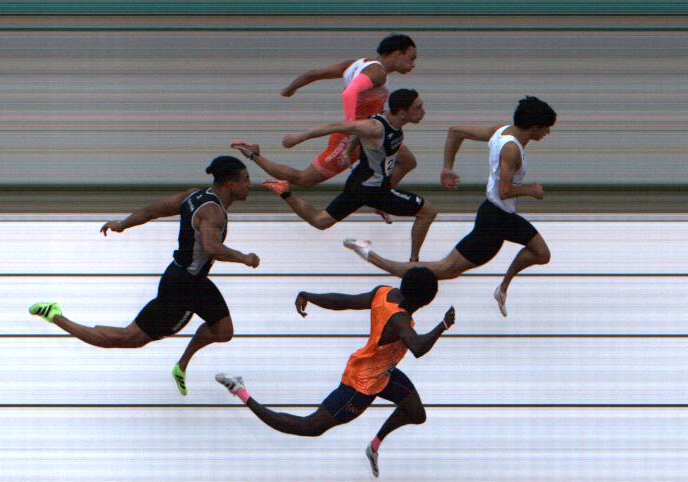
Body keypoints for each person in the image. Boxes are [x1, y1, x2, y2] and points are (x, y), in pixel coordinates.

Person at [29, 156, 259, 396]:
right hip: (181, 287)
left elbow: (152, 210)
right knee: (129, 338)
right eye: (246, 179)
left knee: (223, 330)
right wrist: (243, 257)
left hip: (194, 280)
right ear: (231, 184)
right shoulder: (212, 213)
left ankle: (180, 366)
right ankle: (55, 315)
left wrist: (123, 224)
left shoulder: (193, 196)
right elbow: (211, 247)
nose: (250, 185)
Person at [215, 267, 453, 477]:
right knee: (310, 427)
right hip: (361, 385)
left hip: (384, 373)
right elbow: (418, 347)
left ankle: (373, 447)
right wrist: (443, 325)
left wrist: (310, 296)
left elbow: (344, 301)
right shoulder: (400, 321)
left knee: (416, 413)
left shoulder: (384, 293)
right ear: (424, 302)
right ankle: (241, 391)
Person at [344, 96, 557, 316]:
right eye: (546, 128)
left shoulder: (502, 131)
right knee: (444, 269)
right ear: (534, 127)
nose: (547, 133)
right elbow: (504, 191)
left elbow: (456, 132)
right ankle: (369, 254)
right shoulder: (511, 149)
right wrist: (530, 190)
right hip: (494, 222)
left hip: (502, 215)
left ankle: (502, 289)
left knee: (542, 253)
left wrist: (447, 168)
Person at [249, 89, 438, 262]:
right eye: (418, 108)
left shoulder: (387, 120)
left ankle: (281, 187)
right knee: (428, 212)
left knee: (320, 221)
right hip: (372, 189)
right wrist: (298, 138)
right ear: (403, 112)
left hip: (360, 183)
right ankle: (413, 262)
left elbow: (358, 134)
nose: (423, 112)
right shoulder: (376, 128)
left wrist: (349, 150)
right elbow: (336, 126)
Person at [231, 34, 420, 193]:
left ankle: (381, 199)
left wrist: (289, 90)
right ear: (397, 54)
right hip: (354, 136)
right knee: (305, 179)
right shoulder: (377, 72)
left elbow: (313, 74)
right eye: (411, 58)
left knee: (408, 161)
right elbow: (349, 93)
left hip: (373, 133)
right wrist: (351, 128)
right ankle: (254, 154)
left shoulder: (357, 64)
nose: (413, 65)